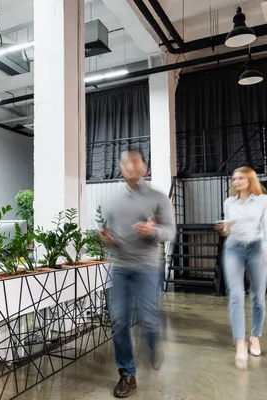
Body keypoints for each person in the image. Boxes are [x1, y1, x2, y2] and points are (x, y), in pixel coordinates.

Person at [100, 150, 175, 398]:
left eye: (135, 163)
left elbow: (170, 233)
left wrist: (151, 232)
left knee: (149, 319)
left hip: (147, 267)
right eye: (125, 163)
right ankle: (127, 374)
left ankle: (154, 343)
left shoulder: (158, 198)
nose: (130, 167)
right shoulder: (112, 202)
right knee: (119, 320)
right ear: (120, 168)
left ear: (145, 167)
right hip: (120, 267)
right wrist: (108, 241)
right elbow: (111, 234)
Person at [217, 166, 267, 369]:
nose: (236, 182)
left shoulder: (264, 201)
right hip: (234, 248)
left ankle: (255, 336)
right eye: (234, 179)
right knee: (235, 294)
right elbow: (228, 231)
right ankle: (239, 342)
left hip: (257, 248)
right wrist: (225, 228)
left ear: (250, 180)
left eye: (240, 178)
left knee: (258, 297)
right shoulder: (229, 202)